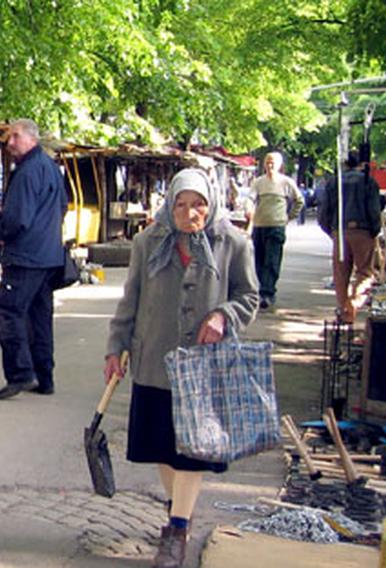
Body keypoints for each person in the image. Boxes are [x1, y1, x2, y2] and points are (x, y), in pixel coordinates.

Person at [104, 168, 258, 567]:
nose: (190, 212)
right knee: (163, 446)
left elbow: (249, 296)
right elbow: (130, 299)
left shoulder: (234, 243)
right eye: (181, 204)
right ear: (169, 205)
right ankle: (179, 506)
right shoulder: (146, 242)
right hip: (154, 357)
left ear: (212, 204)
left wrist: (223, 317)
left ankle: (176, 529)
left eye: (198, 204)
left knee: (192, 451)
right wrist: (114, 347)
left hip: (204, 365)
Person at [0, 119, 68, 400]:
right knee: (39, 316)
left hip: (25, 256)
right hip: (49, 256)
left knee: (8, 311)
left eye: (15, 136)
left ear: (31, 139)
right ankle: (44, 377)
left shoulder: (26, 172)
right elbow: (63, 206)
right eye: (8, 137)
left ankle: (21, 374)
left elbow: (17, 218)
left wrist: (2, 235)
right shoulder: (50, 168)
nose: (9, 142)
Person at [317, 150, 382, 324]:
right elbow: (375, 210)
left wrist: (332, 232)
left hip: (340, 231)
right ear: (361, 164)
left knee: (340, 273)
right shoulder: (369, 182)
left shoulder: (333, 182)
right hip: (363, 231)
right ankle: (354, 301)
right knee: (365, 273)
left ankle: (343, 310)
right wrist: (374, 231)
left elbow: (323, 211)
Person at [248, 152, 303, 310]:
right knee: (259, 261)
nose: (270, 165)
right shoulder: (258, 182)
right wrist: (248, 207)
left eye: (273, 162)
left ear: (279, 165)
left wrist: (289, 217)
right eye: (267, 162)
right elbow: (250, 198)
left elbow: (299, 200)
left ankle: (267, 292)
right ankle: (264, 288)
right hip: (259, 226)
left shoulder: (286, 182)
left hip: (277, 226)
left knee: (272, 261)